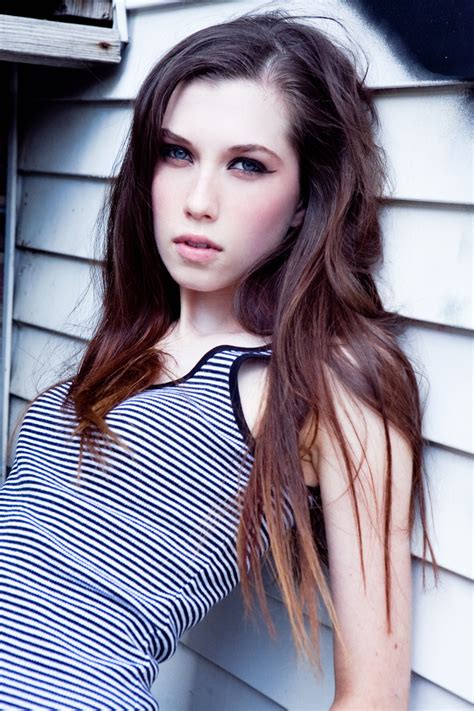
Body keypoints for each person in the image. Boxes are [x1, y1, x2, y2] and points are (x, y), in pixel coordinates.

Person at [0, 8, 436, 711]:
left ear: (304, 202)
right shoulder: (126, 346)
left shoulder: (328, 381)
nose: (198, 202)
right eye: (177, 154)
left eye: (247, 165)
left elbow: (375, 696)